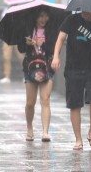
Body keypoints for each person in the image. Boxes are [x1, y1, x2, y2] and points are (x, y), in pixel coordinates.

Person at [51, 10, 91, 150]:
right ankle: (78, 139)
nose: (87, 11)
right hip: (73, 69)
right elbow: (60, 38)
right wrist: (56, 56)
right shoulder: (71, 20)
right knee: (75, 104)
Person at [19, 7, 56, 142]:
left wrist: (43, 44)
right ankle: (29, 127)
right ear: (35, 17)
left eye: (45, 16)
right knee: (30, 103)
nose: (43, 19)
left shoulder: (51, 30)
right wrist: (26, 43)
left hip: (47, 68)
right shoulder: (29, 30)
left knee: (45, 100)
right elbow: (20, 48)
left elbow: (53, 48)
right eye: (40, 16)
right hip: (30, 68)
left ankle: (45, 132)